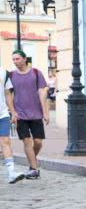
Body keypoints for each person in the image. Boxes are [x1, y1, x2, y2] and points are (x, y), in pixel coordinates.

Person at [9, 50, 48, 180]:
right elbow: (8, 96)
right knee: (27, 141)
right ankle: (34, 169)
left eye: (18, 59)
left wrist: (45, 112)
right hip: (20, 115)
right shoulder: (11, 75)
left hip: (36, 114)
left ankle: (32, 161)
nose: (15, 62)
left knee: (38, 142)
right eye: (13, 59)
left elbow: (42, 93)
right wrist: (13, 113)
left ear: (25, 59)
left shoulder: (36, 73)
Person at [0, 66, 24, 184]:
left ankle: (11, 173)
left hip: (2, 114)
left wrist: (13, 112)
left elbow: (7, 93)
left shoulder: (3, 72)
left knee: (6, 141)